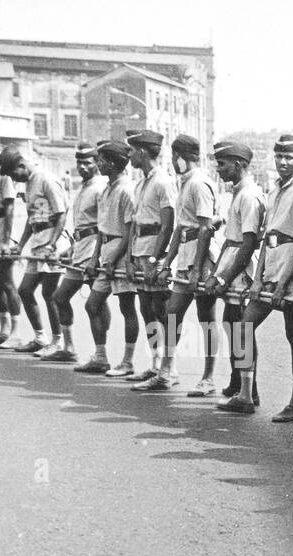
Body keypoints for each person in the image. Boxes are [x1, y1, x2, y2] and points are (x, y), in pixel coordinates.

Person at [220, 134, 293, 417]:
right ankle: (246, 394)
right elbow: (264, 240)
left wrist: (284, 282)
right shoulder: (272, 192)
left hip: (292, 274)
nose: (283, 162)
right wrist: (259, 278)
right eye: (279, 156)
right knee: (243, 328)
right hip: (270, 269)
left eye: (289, 157)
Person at [199, 141, 263, 411]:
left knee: (241, 328)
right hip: (231, 263)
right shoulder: (238, 192)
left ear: (238, 165)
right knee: (232, 326)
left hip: (242, 269)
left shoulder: (249, 195)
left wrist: (224, 277)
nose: (218, 168)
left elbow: (248, 244)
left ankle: (249, 393)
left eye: (222, 164)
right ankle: (240, 384)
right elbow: (230, 240)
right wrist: (218, 273)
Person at [154, 134, 218, 395]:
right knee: (172, 314)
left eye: (174, 157)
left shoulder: (199, 184)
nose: (172, 162)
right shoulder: (184, 183)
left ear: (181, 157)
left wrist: (197, 269)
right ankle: (166, 372)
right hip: (185, 256)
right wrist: (166, 263)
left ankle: (208, 378)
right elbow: (180, 228)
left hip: (202, 260)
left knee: (206, 319)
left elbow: (205, 229)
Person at [0, 147, 67, 357]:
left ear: (21, 165)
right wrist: (20, 245)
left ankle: (58, 342)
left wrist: (51, 244)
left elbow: (62, 214)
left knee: (49, 294)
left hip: (53, 242)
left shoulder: (46, 179)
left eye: (13, 174)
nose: (13, 179)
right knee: (25, 290)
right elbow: (32, 218)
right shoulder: (28, 184)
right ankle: (40, 338)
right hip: (38, 242)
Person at [83, 139, 142, 378]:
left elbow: (129, 231)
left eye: (102, 160)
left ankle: (127, 361)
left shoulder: (126, 190)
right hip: (106, 252)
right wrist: (94, 258)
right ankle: (100, 357)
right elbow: (101, 229)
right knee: (92, 304)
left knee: (127, 307)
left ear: (114, 163)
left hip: (121, 253)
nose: (98, 164)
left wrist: (115, 258)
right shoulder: (107, 188)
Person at [125, 130, 178, 389]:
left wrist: (157, 260)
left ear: (143, 151)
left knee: (163, 311)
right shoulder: (140, 183)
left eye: (132, 150)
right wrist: (130, 257)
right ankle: (156, 364)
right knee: (146, 309)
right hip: (140, 250)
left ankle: (169, 369)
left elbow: (168, 225)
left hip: (156, 251)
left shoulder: (163, 182)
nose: (129, 155)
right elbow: (135, 225)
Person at [57, 144, 109, 373]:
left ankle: (101, 354)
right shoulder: (83, 187)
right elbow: (80, 225)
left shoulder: (100, 188)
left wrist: (96, 255)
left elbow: (104, 226)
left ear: (97, 163)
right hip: (79, 250)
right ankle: (69, 347)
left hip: (93, 252)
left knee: (96, 303)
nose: (83, 167)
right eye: (80, 162)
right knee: (60, 297)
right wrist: (71, 248)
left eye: (88, 162)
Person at [0, 127, 27, 350]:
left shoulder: (3, 167)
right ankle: (4, 328)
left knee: (6, 281)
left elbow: (10, 207)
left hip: (2, 229)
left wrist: (6, 240)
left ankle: (16, 330)